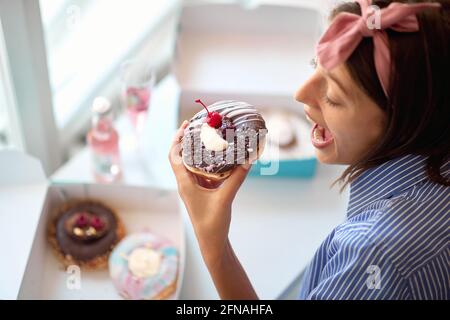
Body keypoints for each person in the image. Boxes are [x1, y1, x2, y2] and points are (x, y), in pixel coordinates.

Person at [169, 0, 450, 299]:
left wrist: (214, 247)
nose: (300, 93)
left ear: (406, 121)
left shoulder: (371, 258)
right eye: (315, 64)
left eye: (332, 95)